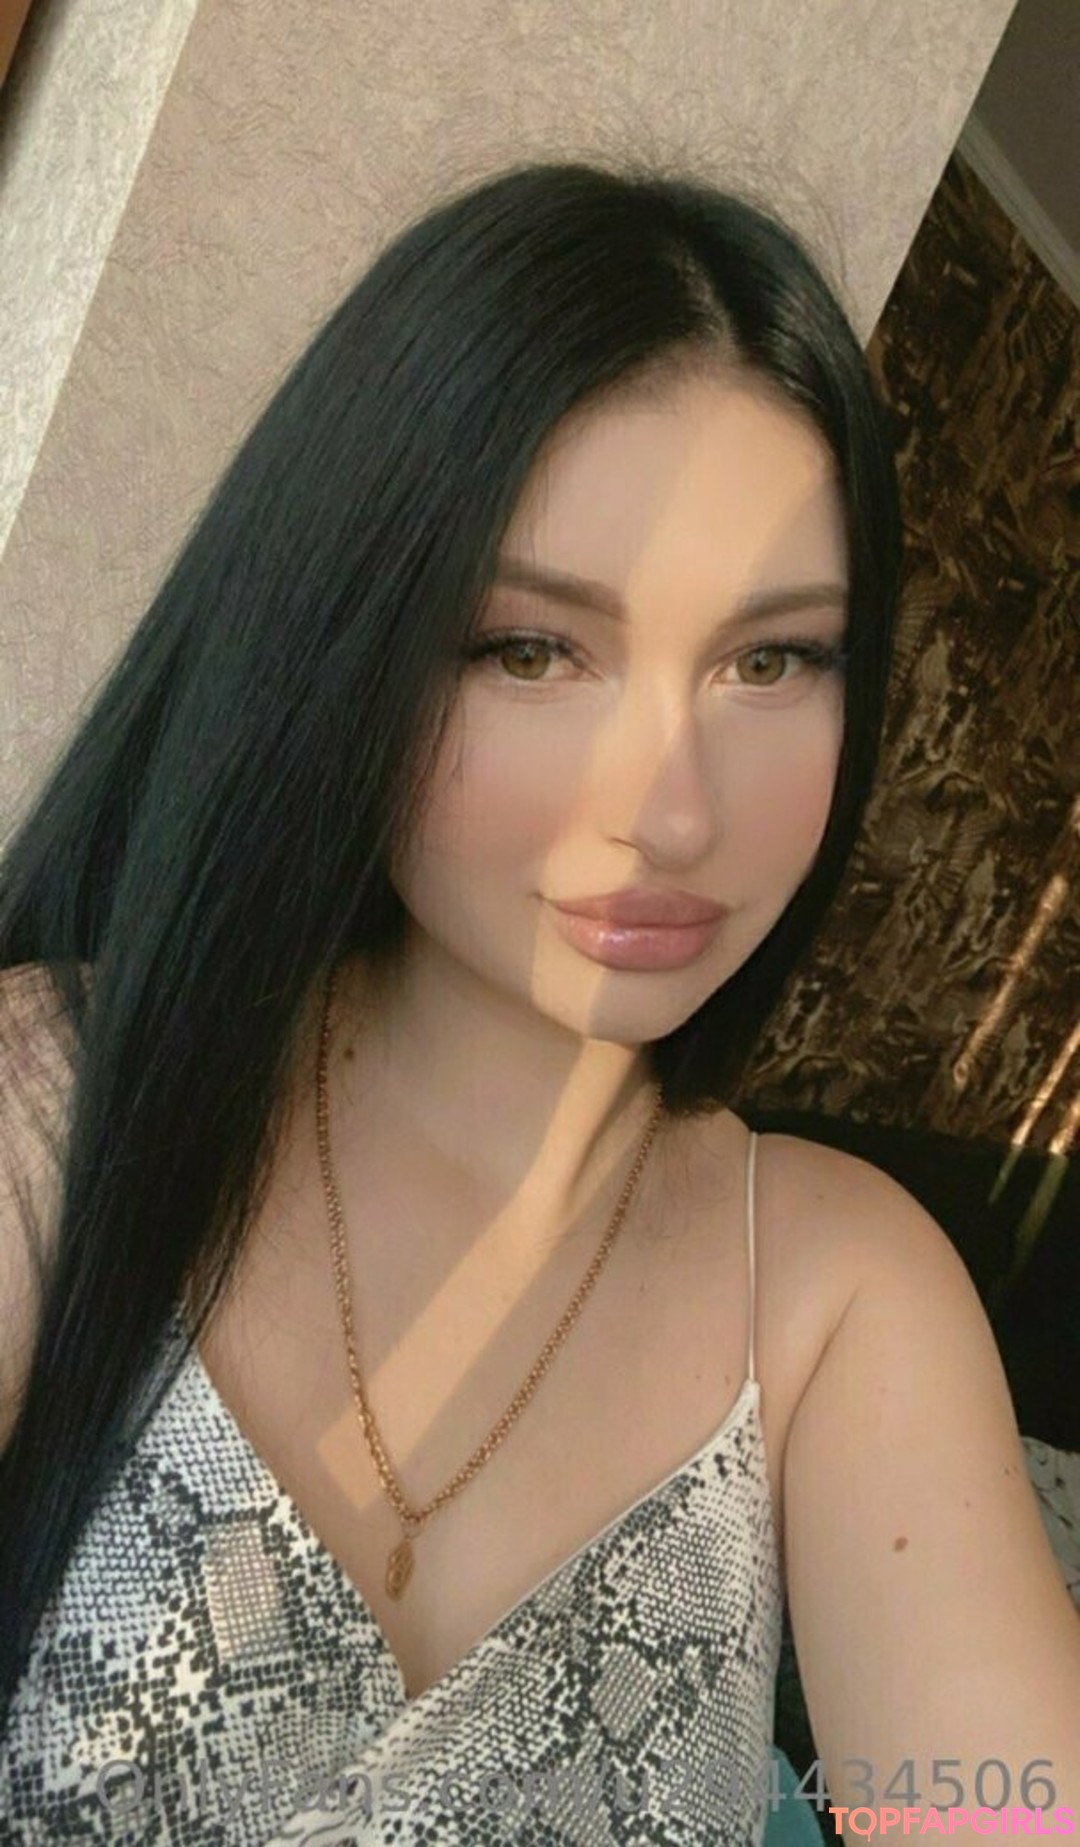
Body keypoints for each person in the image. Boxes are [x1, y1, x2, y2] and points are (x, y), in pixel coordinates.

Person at [0, 159, 1077, 1847]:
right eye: (532, 649)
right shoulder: (56, 1099)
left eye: (771, 660)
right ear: (346, 635)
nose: (673, 813)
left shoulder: (834, 1294)